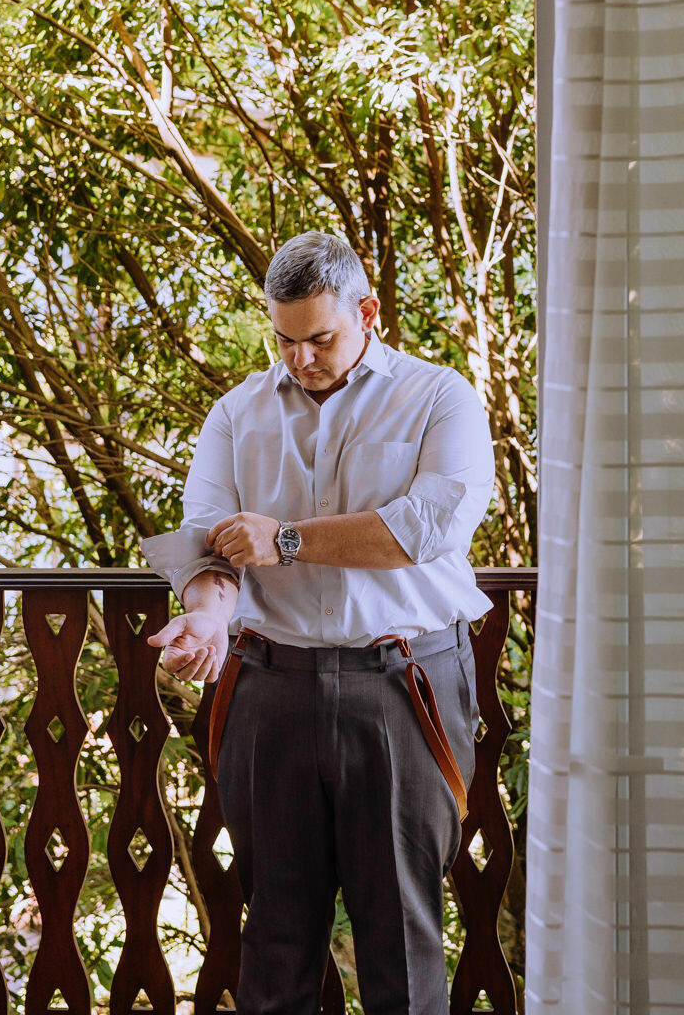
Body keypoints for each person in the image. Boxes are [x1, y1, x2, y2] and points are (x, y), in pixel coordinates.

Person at [139, 231, 496, 1013]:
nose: (300, 357)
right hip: (270, 689)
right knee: (274, 935)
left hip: (406, 689)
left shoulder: (442, 398)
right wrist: (204, 620)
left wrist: (288, 538)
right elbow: (214, 548)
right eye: (285, 339)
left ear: (368, 312)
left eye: (320, 339)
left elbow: (423, 528)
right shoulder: (235, 414)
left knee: (402, 935)